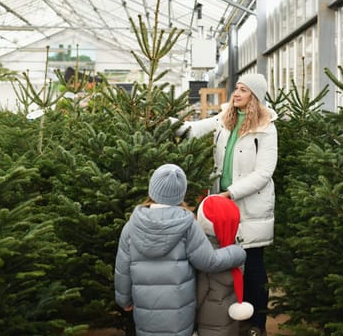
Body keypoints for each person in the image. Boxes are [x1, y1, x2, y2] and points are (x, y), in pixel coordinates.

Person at [173, 73, 278, 336]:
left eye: (243, 90)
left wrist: (230, 193)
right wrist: (166, 123)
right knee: (225, 264)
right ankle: (231, 319)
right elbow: (194, 130)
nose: (236, 93)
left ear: (254, 96)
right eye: (236, 88)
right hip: (222, 206)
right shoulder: (225, 119)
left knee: (253, 265)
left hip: (250, 206)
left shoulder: (266, 127)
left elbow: (264, 173)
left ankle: (257, 324)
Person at [114, 163, 247, 336]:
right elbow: (208, 261)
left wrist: (124, 300)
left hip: (145, 311)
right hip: (179, 313)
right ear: (180, 194)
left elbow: (122, 269)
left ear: (152, 190)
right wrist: (237, 253)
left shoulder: (132, 226)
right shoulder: (188, 224)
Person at [196, 195, 254, 336]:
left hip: (208, 320)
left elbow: (199, 293)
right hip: (229, 316)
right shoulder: (236, 251)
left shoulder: (205, 256)